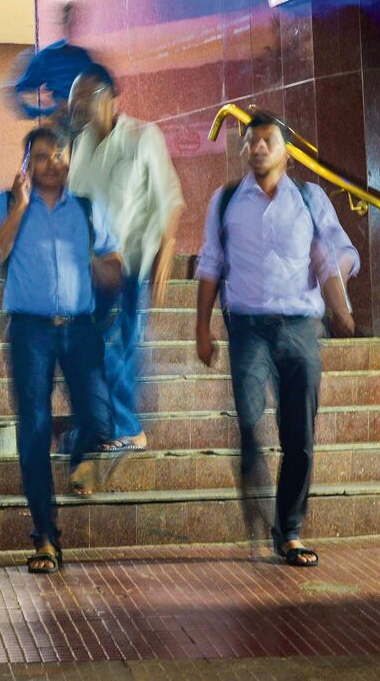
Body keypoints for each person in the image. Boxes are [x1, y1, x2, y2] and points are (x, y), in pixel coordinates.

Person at [192, 111, 358, 568]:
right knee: (248, 422)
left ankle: (290, 530)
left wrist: (337, 295)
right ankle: (256, 492)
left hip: (300, 328)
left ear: (287, 152)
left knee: (299, 435)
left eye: (268, 140)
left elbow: (337, 253)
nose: (259, 147)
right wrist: (202, 327)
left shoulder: (309, 198)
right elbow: (211, 264)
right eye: (252, 141)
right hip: (247, 328)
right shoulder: (226, 200)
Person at [0, 125, 123, 574]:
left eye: (60, 154)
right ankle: (45, 537)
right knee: (35, 430)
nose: (52, 163)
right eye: (42, 156)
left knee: (100, 419)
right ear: (27, 164)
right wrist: (20, 208)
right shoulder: (4, 205)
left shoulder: (87, 209)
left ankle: (79, 447)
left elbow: (114, 260)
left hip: (80, 329)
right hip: (30, 331)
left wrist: (104, 269)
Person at [65, 65, 184, 455]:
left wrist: (166, 249)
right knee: (93, 348)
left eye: (82, 98)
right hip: (91, 267)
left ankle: (129, 429)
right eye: (73, 99)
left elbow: (169, 196)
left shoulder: (142, 137)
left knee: (119, 346)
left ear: (106, 97)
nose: (75, 106)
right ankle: (102, 424)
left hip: (131, 265)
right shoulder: (81, 144)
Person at [7, 1, 104, 121]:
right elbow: (14, 91)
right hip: (61, 125)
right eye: (73, 23)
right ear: (64, 25)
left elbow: (105, 90)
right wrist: (41, 112)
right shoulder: (48, 56)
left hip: (86, 123)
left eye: (81, 23)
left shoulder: (86, 57)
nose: (77, 27)